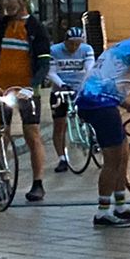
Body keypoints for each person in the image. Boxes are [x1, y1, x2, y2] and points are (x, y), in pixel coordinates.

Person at [75, 22, 130, 226]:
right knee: (113, 159)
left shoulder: (126, 45)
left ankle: (120, 206)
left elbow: (108, 79)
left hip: (97, 100)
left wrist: (128, 104)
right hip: (99, 104)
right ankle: (102, 212)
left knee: (123, 153)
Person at [0, 0, 53, 202]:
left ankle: (38, 183)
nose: (7, 3)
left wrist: (32, 86)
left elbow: (44, 62)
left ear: (24, 1)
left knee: (32, 134)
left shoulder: (36, 29)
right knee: (1, 134)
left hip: (26, 90)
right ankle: (2, 178)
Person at [47, 23, 95, 172]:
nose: (74, 47)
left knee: (93, 113)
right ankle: (62, 158)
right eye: (71, 43)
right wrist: (61, 85)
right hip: (61, 87)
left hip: (79, 86)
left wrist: (82, 86)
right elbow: (51, 71)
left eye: (77, 44)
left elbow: (89, 68)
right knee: (59, 124)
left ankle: (94, 136)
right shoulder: (54, 50)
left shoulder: (86, 50)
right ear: (65, 41)